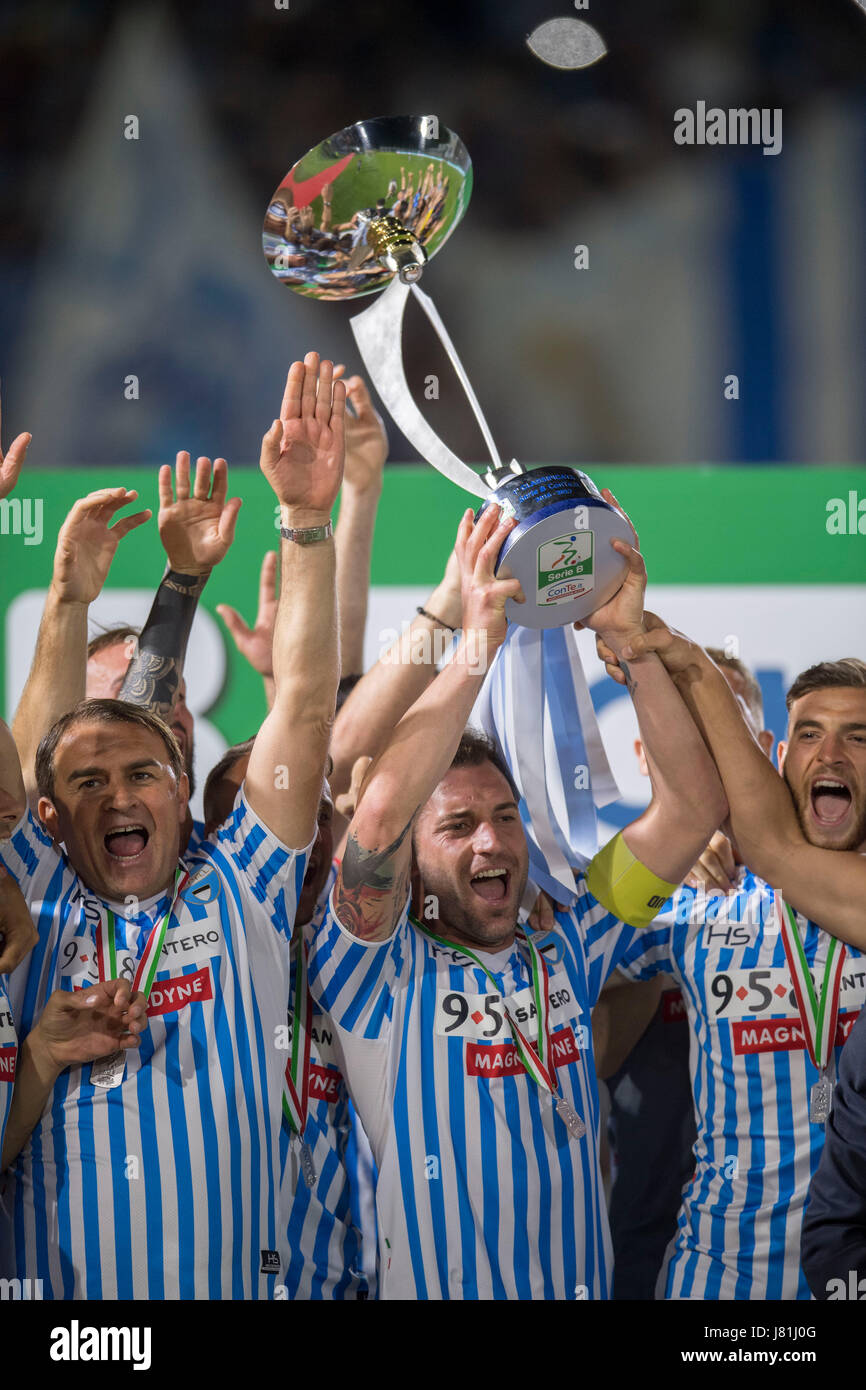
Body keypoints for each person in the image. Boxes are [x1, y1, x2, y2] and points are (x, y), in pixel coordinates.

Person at [308, 502, 727, 1299]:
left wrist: (629, 642)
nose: (492, 843)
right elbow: (381, 810)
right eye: (458, 826)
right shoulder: (370, 974)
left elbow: (689, 812)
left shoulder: (567, 947)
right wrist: (476, 647)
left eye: (505, 818)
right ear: (412, 855)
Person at [0, 351, 345, 1298]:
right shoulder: (29, 891)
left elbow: (308, 706)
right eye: (88, 784)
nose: (119, 798)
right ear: (46, 812)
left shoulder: (246, 880)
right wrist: (70, 599)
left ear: (182, 777)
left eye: (143, 774)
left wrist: (308, 521)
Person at [598, 627, 866, 1297]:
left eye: (859, 737)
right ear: (775, 758)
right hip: (721, 1282)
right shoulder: (705, 896)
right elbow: (562, 947)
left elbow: (773, 845)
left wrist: (677, 658)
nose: (830, 752)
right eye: (809, 735)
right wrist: (662, 858)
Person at [603, 649, 773, 1300]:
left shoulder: (813, 881)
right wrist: (663, 885)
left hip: (787, 1259)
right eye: (689, 738)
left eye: (726, 734)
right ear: (648, 754)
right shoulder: (611, 879)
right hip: (636, 1256)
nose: (707, 758)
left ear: (763, 746)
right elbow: (572, 1032)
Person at [203, 745, 378, 1299]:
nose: (301, 835)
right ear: (215, 840)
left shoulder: (352, 962)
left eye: (319, 815)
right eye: (270, 820)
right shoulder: (175, 955)